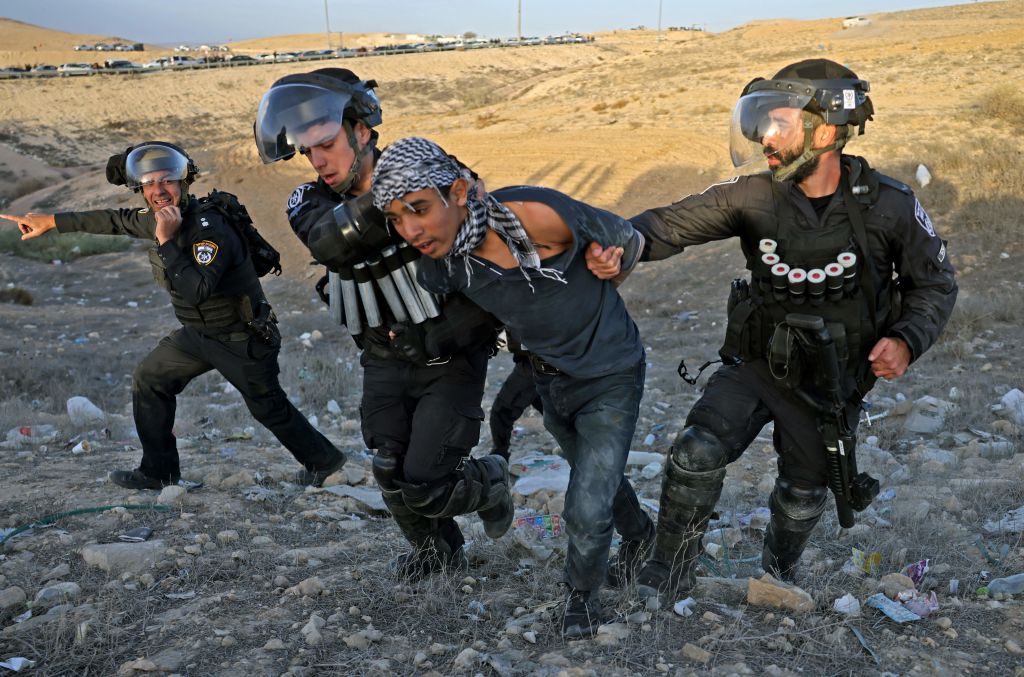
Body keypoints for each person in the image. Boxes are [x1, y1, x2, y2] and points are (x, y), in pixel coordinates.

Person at [589, 59, 958, 603]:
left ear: (826, 130)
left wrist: (906, 339)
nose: (764, 135)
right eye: (761, 122)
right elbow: (667, 225)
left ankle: (777, 575)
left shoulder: (889, 205)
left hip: (831, 382)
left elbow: (935, 284)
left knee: (804, 491)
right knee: (696, 451)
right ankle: (667, 569)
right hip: (758, 363)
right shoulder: (754, 195)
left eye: (779, 122)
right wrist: (616, 246)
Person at [370, 136, 656, 638]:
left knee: (586, 502)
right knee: (596, 473)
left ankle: (582, 600)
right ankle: (642, 537)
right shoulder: (442, 265)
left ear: (458, 191)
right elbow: (479, 319)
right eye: (396, 218)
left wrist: (614, 263)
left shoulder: (536, 214)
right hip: (548, 380)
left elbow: (626, 239)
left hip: (610, 373)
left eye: (418, 209)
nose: (410, 229)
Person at [253, 68, 514, 581]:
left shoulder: (432, 170)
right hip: (384, 357)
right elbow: (328, 242)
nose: (319, 161)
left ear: (362, 131)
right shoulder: (309, 201)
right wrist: (394, 193)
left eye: (326, 143)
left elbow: (484, 223)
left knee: (426, 483)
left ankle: (492, 480)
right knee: (389, 469)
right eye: (308, 152)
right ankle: (438, 555)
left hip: (452, 357)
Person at [1, 142, 347, 490]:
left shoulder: (210, 228)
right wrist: (50, 221)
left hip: (240, 337)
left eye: (166, 181)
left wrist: (166, 242)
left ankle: (325, 461)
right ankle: (158, 471)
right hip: (198, 335)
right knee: (150, 378)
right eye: (149, 184)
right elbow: (113, 220)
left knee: (269, 408)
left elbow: (198, 289)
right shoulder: (157, 217)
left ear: (183, 182)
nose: (158, 190)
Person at [488, 333, 544, 460]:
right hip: (544, 358)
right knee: (554, 413)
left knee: (501, 413)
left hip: (536, 361)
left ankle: (499, 459)